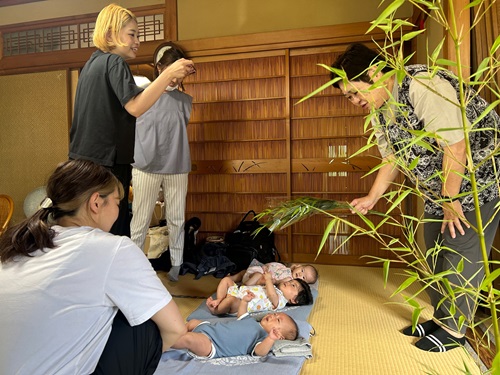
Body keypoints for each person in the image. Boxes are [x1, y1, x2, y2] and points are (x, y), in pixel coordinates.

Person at [330, 43, 500, 352]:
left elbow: (456, 147)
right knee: (433, 250)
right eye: (348, 97)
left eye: (354, 93)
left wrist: (451, 201)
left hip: (478, 182)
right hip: (441, 189)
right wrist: (372, 197)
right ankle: (443, 317)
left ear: (375, 73)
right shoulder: (381, 109)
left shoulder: (422, 86)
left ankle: (456, 330)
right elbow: (392, 158)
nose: (354, 101)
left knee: (461, 250)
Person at [0, 160, 187, 375]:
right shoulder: (113, 248)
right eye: (117, 202)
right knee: (147, 322)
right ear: (96, 203)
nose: (119, 210)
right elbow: (175, 329)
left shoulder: (18, 244)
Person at [69, 4, 195, 237]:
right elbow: (136, 107)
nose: (138, 41)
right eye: (132, 34)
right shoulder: (115, 63)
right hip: (108, 162)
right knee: (113, 232)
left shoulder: (91, 65)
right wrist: (167, 75)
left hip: (83, 161)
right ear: (109, 34)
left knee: (89, 231)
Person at [130, 42, 193, 282]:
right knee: (141, 219)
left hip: (177, 164)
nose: (175, 79)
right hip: (145, 164)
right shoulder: (141, 91)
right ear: (159, 68)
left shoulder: (185, 101)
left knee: (177, 217)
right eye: (170, 70)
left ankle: (177, 264)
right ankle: (135, 268)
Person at [172, 291, 299, 359]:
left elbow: (260, 352)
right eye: (276, 315)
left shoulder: (264, 340)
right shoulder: (251, 321)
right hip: (209, 328)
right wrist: (244, 301)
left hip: (212, 345)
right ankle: (172, 332)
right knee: (192, 322)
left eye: (277, 321)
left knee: (189, 339)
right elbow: (242, 314)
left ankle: (161, 342)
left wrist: (271, 338)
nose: (273, 316)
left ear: (280, 336)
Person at [207, 272, 313, 316]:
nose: (289, 283)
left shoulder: (281, 301)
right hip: (237, 292)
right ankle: (220, 300)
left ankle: (216, 310)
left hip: (240, 304)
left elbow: (272, 296)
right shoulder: (275, 288)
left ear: (294, 300)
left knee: (230, 301)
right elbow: (257, 286)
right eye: (291, 281)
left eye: (293, 286)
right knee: (226, 280)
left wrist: (268, 280)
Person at [230, 259, 319, 286]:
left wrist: (273, 281)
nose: (300, 274)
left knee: (257, 275)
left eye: (303, 277)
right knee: (243, 272)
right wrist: (266, 266)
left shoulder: (289, 279)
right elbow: (274, 266)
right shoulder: (286, 268)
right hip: (260, 270)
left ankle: (243, 287)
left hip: (260, 279)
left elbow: (277, 282)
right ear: (299, 266)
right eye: (302, 270)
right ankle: (230, 279)